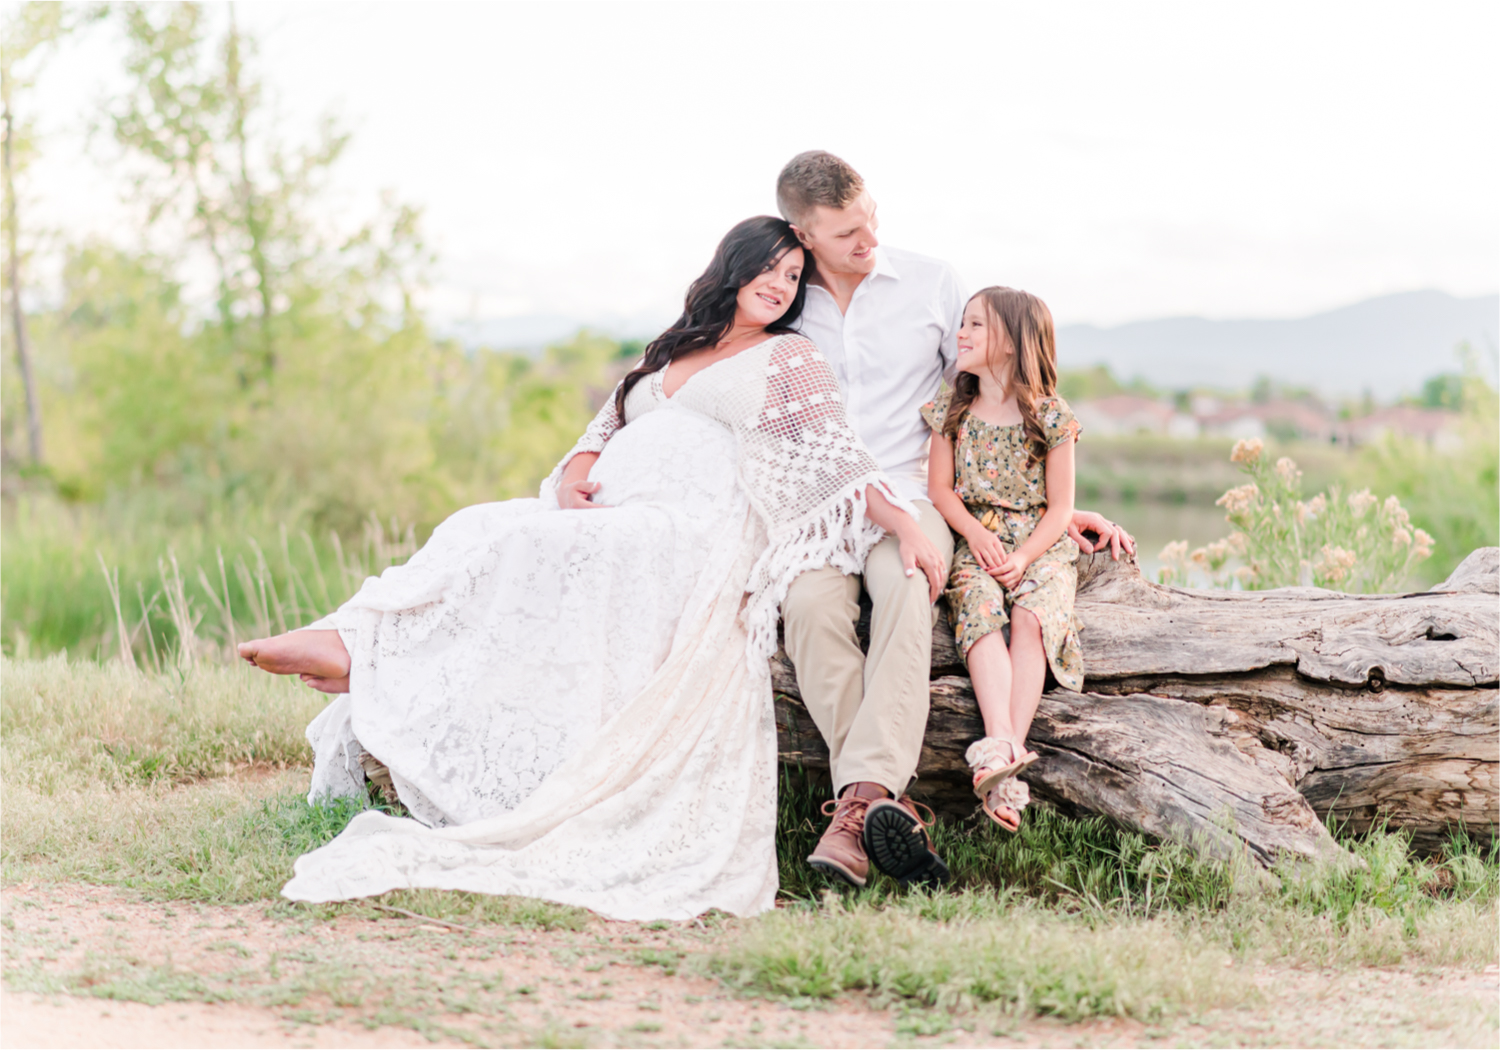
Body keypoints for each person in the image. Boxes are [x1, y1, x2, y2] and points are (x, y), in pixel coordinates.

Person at [237, 216, 942, 921]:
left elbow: (837, 462)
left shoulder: (788, 358)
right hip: (618, 508)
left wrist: (906, 523)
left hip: (692, 528)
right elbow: (602, 428)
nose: (781, 286)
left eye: (794, 278)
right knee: (481, 524)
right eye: (772, 269)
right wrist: (578, 473)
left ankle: (360, 652)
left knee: (540, 548)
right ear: (736, 266)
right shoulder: (676, 346)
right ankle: (365, 647)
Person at [774, 152, 1133, 887]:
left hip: (914, 493)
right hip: (822, 501)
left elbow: (990, 398)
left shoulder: (932, 282)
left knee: (911, 583)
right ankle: (877, 805)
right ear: (801, 234)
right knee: (809, 608)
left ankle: (860, 803)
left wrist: (1049, 506)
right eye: (847, 234)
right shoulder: (783, 295)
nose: (868, 240)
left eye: (871, 219)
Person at [922, 287, 1083, 831]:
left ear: (1012, 343)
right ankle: (1004, 755)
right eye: (961, 324)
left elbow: (1062, 507)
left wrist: (1027, 555)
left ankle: (1000, 757)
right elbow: (941, 492)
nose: (960, 335)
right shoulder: (953, 410)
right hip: (978, 540)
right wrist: (973, 533)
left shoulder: (1051, 416)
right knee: (979, 610)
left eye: (975, 326)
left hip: (1039, 545)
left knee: (1031, 617)